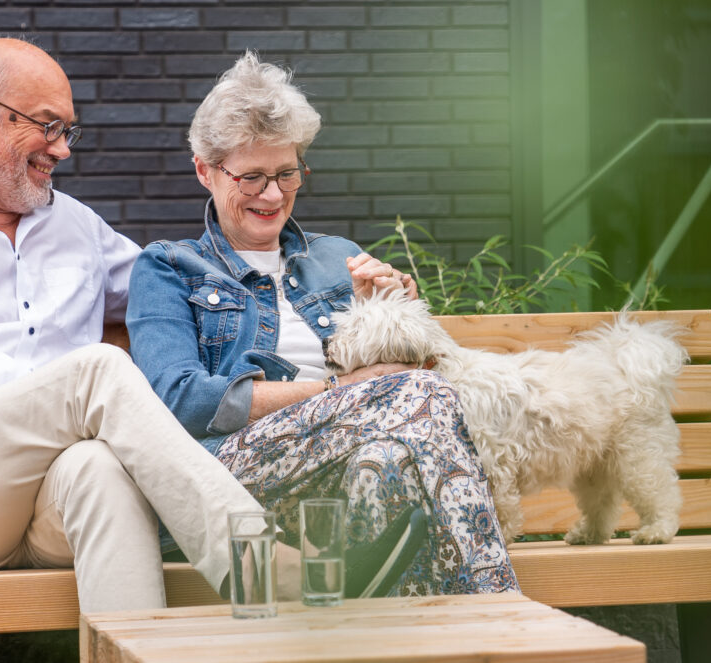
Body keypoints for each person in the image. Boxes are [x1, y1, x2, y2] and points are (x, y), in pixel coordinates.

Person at [0, 38, 417, 613]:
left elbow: (193, 288)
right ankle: (259, 567)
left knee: (101, 468)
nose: (63, 149)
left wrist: (370, 301)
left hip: (43, 495)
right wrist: (62, 393)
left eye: (68, 132)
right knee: (95, 372)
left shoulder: (77, 227)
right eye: (47, 126)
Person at [126, 51, 520, 596]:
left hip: (344, 472)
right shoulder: (168, 266)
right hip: (225, 477)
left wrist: (397, 308)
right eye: (252, 177)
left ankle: (385, 633)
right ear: (205, 170)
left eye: (287, 173)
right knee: (416, 401)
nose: (272, 194)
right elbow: (181, 401)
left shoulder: (339, 257)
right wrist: (339, 390)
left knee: (388, 462)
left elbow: (418, 374)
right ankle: (496, 614)